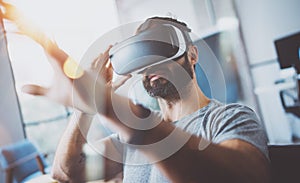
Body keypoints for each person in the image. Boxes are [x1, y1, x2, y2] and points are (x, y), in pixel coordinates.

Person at [1, 3, 270, 183]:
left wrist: (114, 109)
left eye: (162, 49)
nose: (151, 65)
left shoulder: (227, 119)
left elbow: (248, 176)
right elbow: (66, 172)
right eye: (143, 56)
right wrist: (86, 105)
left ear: (192, 54)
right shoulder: (129, 141)